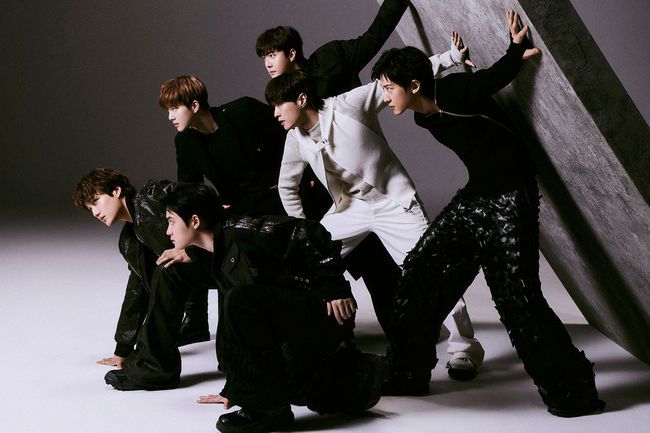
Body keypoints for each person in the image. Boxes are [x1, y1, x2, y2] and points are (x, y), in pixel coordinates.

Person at [370, 10, 605, 416]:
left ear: (414, 85)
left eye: (389, 88)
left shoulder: (456, 92)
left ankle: (573, 393)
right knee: (420, 269)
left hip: (512, 198)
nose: (385, 96)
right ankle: (407, 373)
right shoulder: (423, 116)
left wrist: (515, 49)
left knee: (517, 297)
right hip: (476, 197)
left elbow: (492, 79)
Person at [257, 1, 484, 380]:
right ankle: (313, 350)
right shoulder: (294, 138)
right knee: (304, 266)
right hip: (350, 210)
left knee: (430, 272)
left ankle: (464, 348)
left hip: (393, 203)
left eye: (279, 105)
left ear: (301, 100)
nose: (275, 114)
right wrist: (306, 231)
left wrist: (449, 59)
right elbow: (286, 185)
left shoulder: (348, 105)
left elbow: (392, 83)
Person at [161, 182, 386, 433]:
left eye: (171, 221)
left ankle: (267, 412)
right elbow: (238, 334)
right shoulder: (218, 254)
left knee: (239, 300)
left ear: (194, 221)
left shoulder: (241, 230)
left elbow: (308, 231)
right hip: (294, 320)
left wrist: (334, 286)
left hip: (324, 311)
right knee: (239, 309)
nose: (167, 231)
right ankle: (352, 378)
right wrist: (235, 389)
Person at [72, 168, 217, 390]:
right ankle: (153, 366)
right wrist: (123, 349)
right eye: (90, 209)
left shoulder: (151, 196)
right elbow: (137, 289)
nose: (95, 213)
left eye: (96, 202)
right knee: (164, 272)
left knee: (166, 271)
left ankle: (155, 369)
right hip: (195, 275)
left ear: (116, 191)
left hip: (222, 258)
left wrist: (192, 250)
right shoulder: (129, 240)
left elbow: (196, 194)